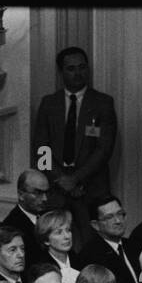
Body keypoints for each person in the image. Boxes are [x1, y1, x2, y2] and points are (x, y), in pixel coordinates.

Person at [31, 47, 117, 241]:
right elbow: (41, 149)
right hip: (56, 189)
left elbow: (104, 149)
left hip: (91, 187)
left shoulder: (103, 103)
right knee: (55, 239)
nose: (78, 73)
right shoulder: (48, 103)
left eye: (82, 67)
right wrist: (60, 179)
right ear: (61, 72)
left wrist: (76, 179)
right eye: (71, 68)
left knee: (94, 242)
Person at [35, 209, 82, 283]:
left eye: (68, 230)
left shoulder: (81, 260)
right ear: (46, 240)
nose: (67, 236)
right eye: (59, 232)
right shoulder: (41, 269)